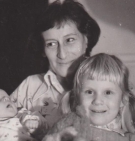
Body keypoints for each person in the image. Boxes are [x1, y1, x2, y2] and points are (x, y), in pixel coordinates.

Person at [10, 0, 100, 135]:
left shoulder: (108, 82)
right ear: (42, 49)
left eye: (69, 40)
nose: (62, 54)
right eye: (51, 44)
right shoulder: (29, 87)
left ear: (86, 40)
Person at [43, 53, 135, 141]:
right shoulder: (67, 129)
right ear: (77, 97)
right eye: (89, 92)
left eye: (108, 92)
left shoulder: (130, 137)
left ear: (122, 100)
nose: (98, 101)